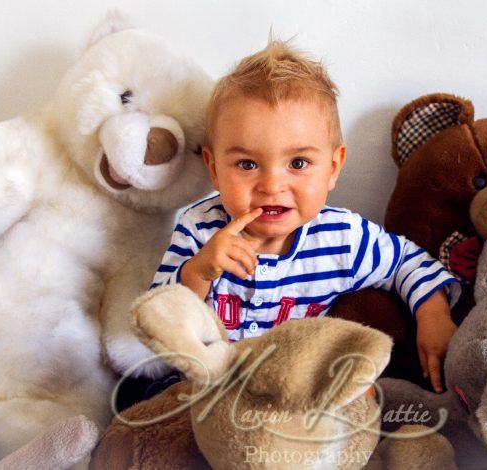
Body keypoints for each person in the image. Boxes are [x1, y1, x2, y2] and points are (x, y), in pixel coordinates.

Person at [151, 39, 460, 392]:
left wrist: (433, 316)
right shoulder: (199, 230)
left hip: (295, 397)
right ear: (214, 168)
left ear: (332, 167)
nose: (272, 184)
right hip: (206, 391)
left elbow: (408, 261)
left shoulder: (341, 237)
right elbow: (157, 322)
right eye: (247, 164)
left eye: (298, 163)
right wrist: (199, 271)